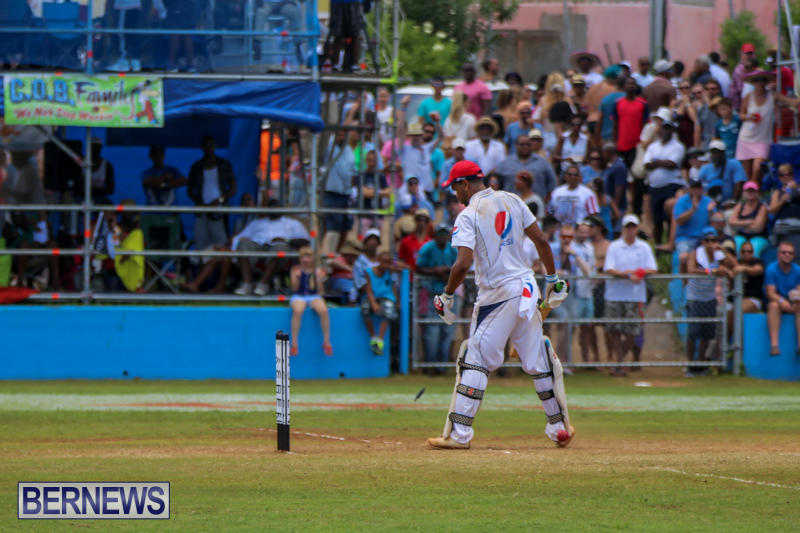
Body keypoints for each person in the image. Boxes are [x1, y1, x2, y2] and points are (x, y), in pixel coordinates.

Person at [427, 160, 572, 450]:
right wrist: (552, 280)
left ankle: (459, 435)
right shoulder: (512, 199)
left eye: (455, 188)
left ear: (464, 184)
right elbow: (541, 241)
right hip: (527, 289)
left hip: (497, 293)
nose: (454, 194)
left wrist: (447, 295)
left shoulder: (468, 215)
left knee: (476, 357)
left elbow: (462, 263)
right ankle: (559, 428)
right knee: (537, 360)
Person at [603, 214, 657, 376]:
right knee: (613, 329)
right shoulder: (614, 246)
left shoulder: (644, 247)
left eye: (633, 226)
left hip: (635, 295)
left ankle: (619, 362)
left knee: (632, 330)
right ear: (623, 228)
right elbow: (609, 269)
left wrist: (638, 273)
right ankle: (619, 362)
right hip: (614, 294)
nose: (630, 230)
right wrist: (627, 275)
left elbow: (652, 268)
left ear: (637, 228)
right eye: (628, 226)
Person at [685, 227, 736, 375]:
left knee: (706, 334)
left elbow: (734, 264)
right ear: (702, 242)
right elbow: (691, 270)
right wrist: (712, 271)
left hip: (709, 298)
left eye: (713, 240)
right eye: (707, 240)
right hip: (694, 297)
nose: (710, 244)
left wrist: (723, 250)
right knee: (693, 333)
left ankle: (702, 364)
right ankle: (690, 364)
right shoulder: (696, 253)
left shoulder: (719, 254)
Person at [232, 203, 311, 296]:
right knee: (243, 244)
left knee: (280, 248)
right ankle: (247, 284)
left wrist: (286, 240)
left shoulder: (292, 223)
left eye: (277, 207)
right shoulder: (257, 222)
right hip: (257, 247)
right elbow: (238, 238)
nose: (274, 210)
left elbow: (305, 240)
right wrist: (243, 240)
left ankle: (263, 284)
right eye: (272, 207)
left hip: (279, 247)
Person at [737, 70, 800, 183]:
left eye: (762, 80)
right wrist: (749, 117)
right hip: (746, 137)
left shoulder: (773, 95)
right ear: (753, 82)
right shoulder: (748, 96)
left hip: (763, 139)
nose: (759, 82)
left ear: (766, 82)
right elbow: (741, 115)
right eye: (757, 80)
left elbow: (792, 102)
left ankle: (754, 190)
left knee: (757, 168)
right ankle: (752, 191)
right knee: (748, 174)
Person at [416, 224, 458, 373]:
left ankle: (442, 367)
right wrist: (435, 271)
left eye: (444, 234)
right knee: (432, 329)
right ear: (435, 235)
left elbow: (460, 267)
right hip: (431, 293)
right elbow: (418, 267)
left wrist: (447, 273)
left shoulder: (452, 249)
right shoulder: (427, 248)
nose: (442, 237)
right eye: (439, 234)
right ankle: (429, 365)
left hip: (449, 293)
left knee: (447, 329)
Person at [187, 135, 236, 250]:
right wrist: (200, 202)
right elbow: (189, 190)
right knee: (200, 240)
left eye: (211, 145)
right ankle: (201, 261)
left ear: (215, 146)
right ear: (202, 147)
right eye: (206, 145)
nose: (209, 148)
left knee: (221, 241)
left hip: (219, 209)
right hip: (201, 210)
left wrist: (219, 200)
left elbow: (233, 188)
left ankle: (221, 261)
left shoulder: (224, 164)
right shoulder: (197, 166)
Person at [644, 118, 686, 244]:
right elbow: (647, 164)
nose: (665, 131)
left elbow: (672, 164)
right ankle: (658, 245)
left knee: (669, 217)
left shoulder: (678, 146)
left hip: (671, 185)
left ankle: (669, 243)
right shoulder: (653, 146)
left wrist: (656, 162)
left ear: (672, 131)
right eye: (664, 128)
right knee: (657, 219)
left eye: (668, 129)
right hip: (655, 186)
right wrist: (662, 162)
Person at [289, 247, 333, 357]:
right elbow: (294, 288)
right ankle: (294, 344)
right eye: (303, 257)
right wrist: (298, 277)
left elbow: (321, 292)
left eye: (308, 257)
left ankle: (326, 342)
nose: (305, 260)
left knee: (324, 310)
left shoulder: (317, 271)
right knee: (298, 310)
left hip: (313, 296)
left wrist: (319, 279)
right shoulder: (295, 269)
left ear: (312, 258)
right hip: (299, 296)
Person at [495, 134, 556, 202]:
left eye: (528, 144)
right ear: (516, 145)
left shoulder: (542, 162)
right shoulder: (505, 163)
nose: (525, 147)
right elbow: (496, 182)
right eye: (522, 144)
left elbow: (552, 183)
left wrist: (546, 201)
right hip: (510, 204)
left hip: (535, 203)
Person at [765, 241, 800, 355]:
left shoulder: (798, 270)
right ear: (778, 254)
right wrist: (782, 301)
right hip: (778, 301)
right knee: (773, 305)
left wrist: (795, 300)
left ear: (793, 255)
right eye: (784, 252)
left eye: (790, 253)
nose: (787, 255)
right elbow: (770, 293)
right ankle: (774, 346)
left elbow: (799, 291)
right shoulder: (771, 269)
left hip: (792, 302)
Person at [362, 250, 398, 355]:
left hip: (386, 297)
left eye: (388, 263)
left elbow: (406, 268)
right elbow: (368, 290)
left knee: (388, 310)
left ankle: (380, 340)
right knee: (365, 309)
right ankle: (373, 337)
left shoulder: (390, 272)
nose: (385, 265)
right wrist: (373, 303)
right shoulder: (369, 272)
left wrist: (394, 265)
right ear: (378, 261)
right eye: (384, 262)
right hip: (373, 296)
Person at [612, 76, 649, 169]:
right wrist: (614, 142)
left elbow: (646, 125)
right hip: (621, 144)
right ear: (624, 86)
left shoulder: (643, 104)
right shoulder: (618, 103)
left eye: (633, 84)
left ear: (636, 86)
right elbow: (615, 124)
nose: (631, 86)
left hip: (637, 145)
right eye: (628, 84)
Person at [697, 139, 746, 206]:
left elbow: (739, 183)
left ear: (723, 153)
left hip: (730, 203)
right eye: (713, 153)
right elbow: (697, 186)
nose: (715, 155)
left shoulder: (734, 164)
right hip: (710, 203)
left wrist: (733, 201)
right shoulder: (705, 168)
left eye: (718, 152)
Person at [729, 181, 768, 257]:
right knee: (736, 244)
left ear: (757, 193)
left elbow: (758, 228)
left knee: (753, 248)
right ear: (744, 193)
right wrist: (749, 222)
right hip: (741, 236)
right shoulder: (740, 205)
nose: (750, 193)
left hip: (759, 237)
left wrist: (739, 225)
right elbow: (731, 223)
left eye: (753, 191)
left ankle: (754, 264)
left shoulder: (762, 207)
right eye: (748, 191)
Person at [768, 163, 800, 255]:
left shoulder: (798, 188)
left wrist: (797, 189)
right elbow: (772, 210)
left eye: (788, 174)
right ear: (779, 178)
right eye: (783, 175)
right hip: (783, 225)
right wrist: (783, 200)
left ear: (792, 175)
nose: (786, 177)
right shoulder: (777, 192)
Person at [602, 143, 627, 233]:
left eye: (604, 153)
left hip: (617, 206)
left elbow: (619, 188)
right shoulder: (611, 165)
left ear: (609, 153)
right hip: (611, 206)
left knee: (615, 231)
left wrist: (615, 209)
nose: (603, 156)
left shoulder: (619, 167)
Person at [731, 43, 756, 112]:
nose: (750, 56)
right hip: (739, 105)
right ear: (741, 54)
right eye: (747, 54)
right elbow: (742, 90)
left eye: (751, 54)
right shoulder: (740, 69)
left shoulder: (752, 67)